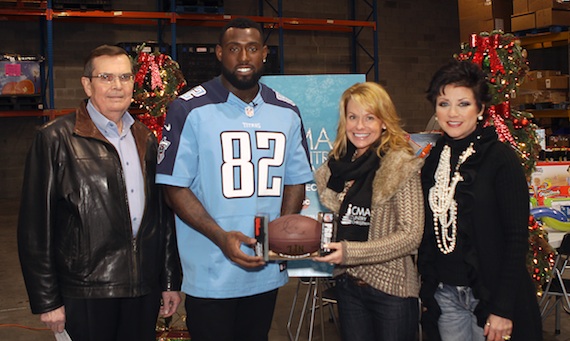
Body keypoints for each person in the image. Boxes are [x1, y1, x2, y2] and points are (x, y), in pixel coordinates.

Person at [155, 17, 313, 341]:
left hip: (265, 271)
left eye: (252, 48)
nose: (243, 58)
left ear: (264, 53)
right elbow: (174, 188)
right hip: (211, 271)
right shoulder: (187, 109)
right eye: (233, 49)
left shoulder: (287, 111)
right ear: (218, 53)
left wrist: (281, 232)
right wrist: (220, 237)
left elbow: (296, 179)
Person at [17, 45, 182, 341]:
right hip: (86, 290)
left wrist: (169, 280)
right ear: (87, 84)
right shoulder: (56, 139)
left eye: (125, 77)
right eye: (106, 77)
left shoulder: (145, 138)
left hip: (142, 289)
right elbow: (35, 228)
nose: (117, 86)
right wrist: (47, 300)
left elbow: (162, 218)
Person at [418, 59, 542, 341]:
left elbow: (516, 238)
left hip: (492, 297)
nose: (452, 113)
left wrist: (503, 308)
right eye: (443, 103)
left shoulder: (500, 159)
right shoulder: (434, 160)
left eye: (463, 104)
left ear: (481, 109)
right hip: (446, 295)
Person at [313, 82, 425, 341]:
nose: (359, 126)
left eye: (369, 117)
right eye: (353, 117)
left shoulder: (400, 164)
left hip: (392, 291)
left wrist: (350, 252)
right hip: (348, 287)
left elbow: (411, 235)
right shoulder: (339, 168)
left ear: (384, 121)